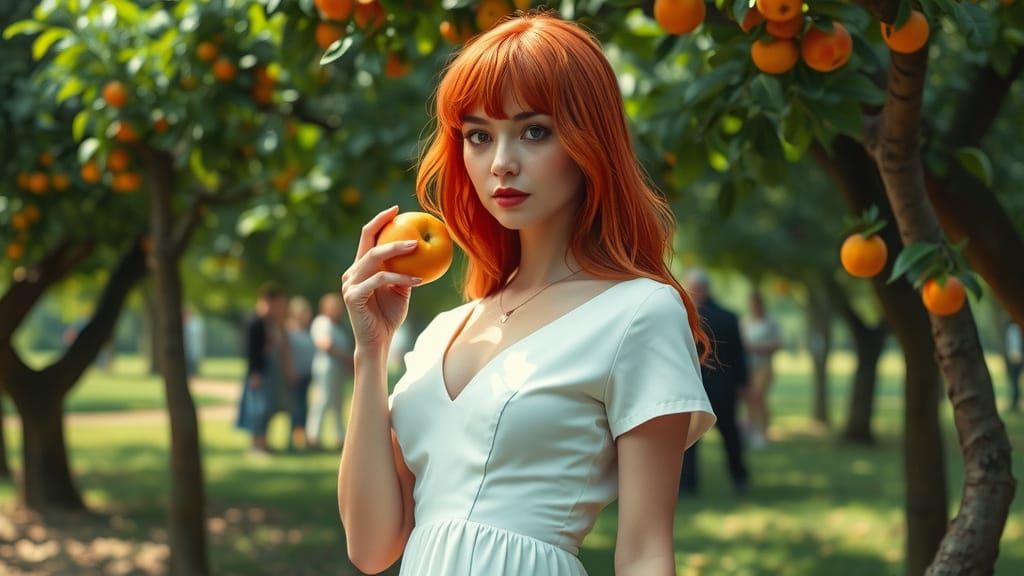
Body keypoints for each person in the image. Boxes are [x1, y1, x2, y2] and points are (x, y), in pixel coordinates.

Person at [336, 12, 717, 576]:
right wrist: (371, 351)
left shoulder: (638, 312)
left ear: (589, 141)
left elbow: (644, 552)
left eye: (534, 130)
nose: (501, 163)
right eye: (479, 136)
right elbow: (371, 548)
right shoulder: (444, 331)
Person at [679, 268, 750, 496]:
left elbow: (738, 354)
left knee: (694, 437)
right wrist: (742, 383)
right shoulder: (729, 316)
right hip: (720, 386)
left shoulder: (684, 317)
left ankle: (688, 484)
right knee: (728, 433)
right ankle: (737, 477)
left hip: (699, 386)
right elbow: (741, 356)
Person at [236, 283, 293, 454]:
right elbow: (251, 351)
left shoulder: (271, 323)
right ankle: (256, 445)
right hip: (259, 372)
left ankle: (264, 443)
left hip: (268, 370)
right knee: (257, 409)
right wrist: (255, 373)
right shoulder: (254, 322)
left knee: (268, 408)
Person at [306, 292, 354, 451]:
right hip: (326, 366)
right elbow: (325, 344)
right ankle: (312, 436)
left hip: (337, 367)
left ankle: (340, 436)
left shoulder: (339, 325)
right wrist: (347, 358)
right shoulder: (322, 322)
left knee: (338, 402)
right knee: (323, 399)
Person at [740, 290, 782, 447]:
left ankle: (762, 431)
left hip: (764, 366)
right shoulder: (745, 321)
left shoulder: (770, 322)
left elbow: (777, 343)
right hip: (749, 365)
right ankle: (752, 430)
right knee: (750, 398)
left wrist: (757, 348)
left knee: (758, 396)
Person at [286, 296, 316, 451]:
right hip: (295, 375)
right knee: (296, 408)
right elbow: (287, 353)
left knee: (303, 407)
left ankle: (299, 438)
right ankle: (295, 439)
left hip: (306, 375)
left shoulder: (307, 330)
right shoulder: (289, 330)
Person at [183, 307, 206, 377]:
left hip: (194, 346)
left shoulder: (195, 323)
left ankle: (194, 373)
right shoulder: (187, 323)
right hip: (188, 347)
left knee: (194, 361)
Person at [1006, 322, 1022, 413]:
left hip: (1015, 359)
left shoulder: (1014, 328)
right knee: (1014, 382)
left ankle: (1015, 402)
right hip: (1015, 359)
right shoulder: (1015, 328)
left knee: (1015, 381)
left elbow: (1015, 346)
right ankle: (1015, 402)